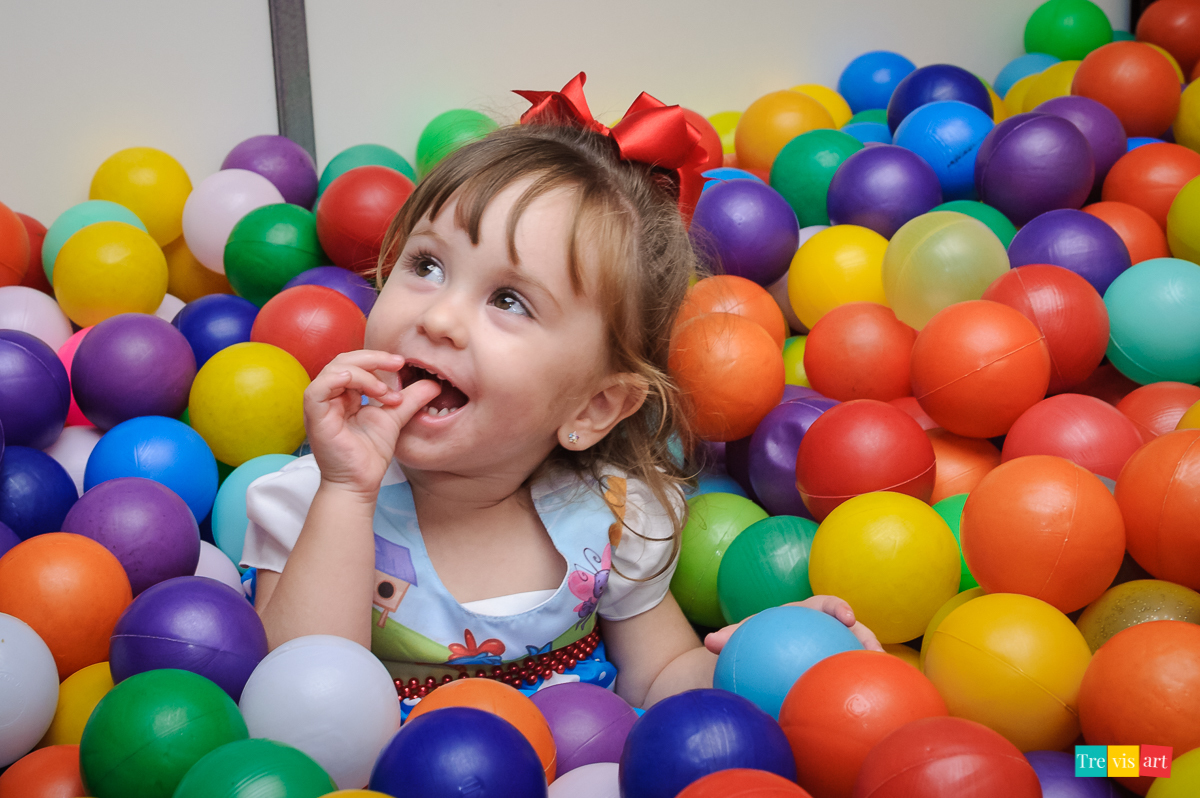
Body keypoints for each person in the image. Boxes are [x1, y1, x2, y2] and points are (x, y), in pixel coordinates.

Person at [243, 74, 880, 712]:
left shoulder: (613, 518)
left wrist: (772, 658)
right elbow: (297, 702)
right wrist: (347, 491)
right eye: (426, 265)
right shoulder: (315, 505)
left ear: (592, 408)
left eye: (509, 300)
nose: (439, 317)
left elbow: (658, 681)